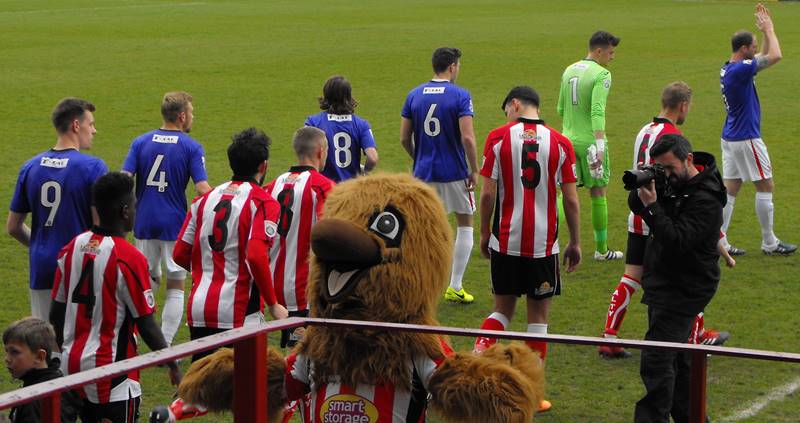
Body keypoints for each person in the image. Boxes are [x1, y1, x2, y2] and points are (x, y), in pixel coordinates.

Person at [599, 82, 730, 359]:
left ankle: (609, 335)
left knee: (631, 276)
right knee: (686, 273)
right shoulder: (673, 136)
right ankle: (694, 338)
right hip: (659, 216)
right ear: (683, 106)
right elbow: (679, 183)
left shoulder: (645, 130)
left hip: (638, 211)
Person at [473, 86, 581, 413]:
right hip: (543, 246)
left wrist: (483, 233)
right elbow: (572, 200)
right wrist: (575, 242)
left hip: (505, 240)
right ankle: (533, 395)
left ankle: (474, 368)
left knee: (501, 311)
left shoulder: (498, 138)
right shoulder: (561, 142)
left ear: (515, 104)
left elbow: (488, 195)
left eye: (506, 109)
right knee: (538, 320)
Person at [50, 172, 181, 423]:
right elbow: (146, 324)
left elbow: (55, 313)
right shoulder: (128, 257)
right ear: (124, 211)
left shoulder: (71, 248)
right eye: (134, 205)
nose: (135, 210)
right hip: (112, 374)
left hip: (71, 367)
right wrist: (172, 364)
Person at [629, 134, 726, 422]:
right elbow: (636, 205)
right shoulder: (675, 183)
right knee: (681, 368)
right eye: (661, 169)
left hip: (685, 288)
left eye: (669, 168)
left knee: (657, 361)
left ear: (689, 160)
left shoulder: (707, 200)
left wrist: (654, 206)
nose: (666, 175)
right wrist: (645, 185)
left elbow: (677, 240)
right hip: (665, 282)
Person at [173, 127, 288, 362]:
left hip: (200, 308)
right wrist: (274, 303)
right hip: (239, 311)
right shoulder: (263, 202)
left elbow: (180, 253)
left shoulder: (203, 200)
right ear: (263, 166)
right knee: (241, 389)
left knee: (203, 385)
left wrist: (210, 270)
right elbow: (256, 256)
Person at [122, 91, 212, 347]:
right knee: (175, 285)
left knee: (147, 281)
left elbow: (124, 178)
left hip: (143, 222)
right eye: (192, 112)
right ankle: (165, 345)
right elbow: (202, 188)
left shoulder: (140, 142)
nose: (193, 117)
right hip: (174, 224)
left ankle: (134, 337)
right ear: (182, 116)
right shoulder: (191, 146)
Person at [8, 98, 108, 321]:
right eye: (90, 124)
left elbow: (13, 227)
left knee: (45, 341)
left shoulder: (30, 167)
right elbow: (99, 229)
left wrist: (39, 245)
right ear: (75, 125)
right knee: (76, 343)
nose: (94, 130)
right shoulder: (93, 167)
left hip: (42, 266)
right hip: (79, 268)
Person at [400, 46, 479, 303]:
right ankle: (454, 286)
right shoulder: (460, 95)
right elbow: (467, 137)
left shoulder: (414, 95)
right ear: (452, 67)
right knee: (465, 223)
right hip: (455, 172)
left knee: (422, 230)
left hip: (423, 174)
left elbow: (404, 137)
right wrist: (474, 169)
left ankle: (417, 285)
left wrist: (418, 157)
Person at [719, 3, 795, 256]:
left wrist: (762, 32)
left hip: (730, 137)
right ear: (743, 49)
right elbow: (775, 55)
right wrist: (771, 29)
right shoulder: (741, 70)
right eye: (751, 46)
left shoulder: (731, 67)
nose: (755, 50)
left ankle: (718, 241)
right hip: (746, 137)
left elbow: (761, 56)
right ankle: (770, 242)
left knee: (731, 189)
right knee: (766, 186)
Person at [265, 127, 334, 348]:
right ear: (321, 152)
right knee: (309, 355)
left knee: (293, 354)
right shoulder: (323, 187)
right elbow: (329, 236)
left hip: (276, 286)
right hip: (307, 288)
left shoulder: (272, 186)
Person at [557, 30, 623, 261]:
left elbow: (561, 109)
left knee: (565, 192)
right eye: (611, 52)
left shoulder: (569, 69)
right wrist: (598, 143)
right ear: (598, 51)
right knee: (598, 192)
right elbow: (597, 110)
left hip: (566, 140)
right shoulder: (602, 74)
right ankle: (601, 250)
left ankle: (545, 240)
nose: (612, 57)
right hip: (590, 143)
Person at [3, 317, 80, 423]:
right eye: (6, 351)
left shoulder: (34, 401)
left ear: (39, 356)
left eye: (14, 352)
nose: (7, 359)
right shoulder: (57, 381)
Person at [305, 76, 378, 182]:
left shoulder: (313, 122)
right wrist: (365, 172)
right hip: (350, 190)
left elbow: (306, 155)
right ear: (348, 96)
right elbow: (373, 158)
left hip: (323, 188)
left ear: (326, 95)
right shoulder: (362, 124)